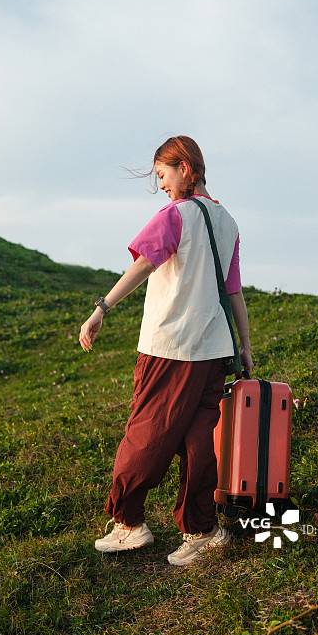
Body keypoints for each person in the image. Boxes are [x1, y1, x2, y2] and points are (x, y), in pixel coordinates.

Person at [79, 136, 253, 566]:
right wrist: (245, 346)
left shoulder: (176, 216)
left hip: (170, 348)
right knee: (200, 442)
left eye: (163, 174)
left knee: (146, 434)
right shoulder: (228, 221)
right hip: (213, 351)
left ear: (185, 168)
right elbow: (234, 292)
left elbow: (143, 263)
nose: (162, 186)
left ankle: (129, 523)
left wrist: (101, 308)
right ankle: (203, 529)